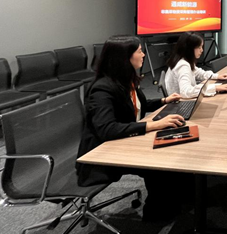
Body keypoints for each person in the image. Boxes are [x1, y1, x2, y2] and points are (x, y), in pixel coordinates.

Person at [77, 35, 191, 221]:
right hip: (101, 155)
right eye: (139, 51)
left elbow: (137, 105)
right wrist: (154, 125)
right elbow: (107, 129)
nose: (144, 54)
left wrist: (164, 100)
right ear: (125, 57)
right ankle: (156, 215)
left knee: (174, 149)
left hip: (123, 141)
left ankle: (179, 200)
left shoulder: (125, 80)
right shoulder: (101, 89)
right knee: (160, 163)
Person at [166, 32, 227, 97]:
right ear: (189, 49)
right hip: (181, 101)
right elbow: (186, 91)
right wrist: (215, 88)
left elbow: (200, 73)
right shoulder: (183, 66)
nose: (202, 50)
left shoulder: (185, 61)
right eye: (199, 47)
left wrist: (217, 76)